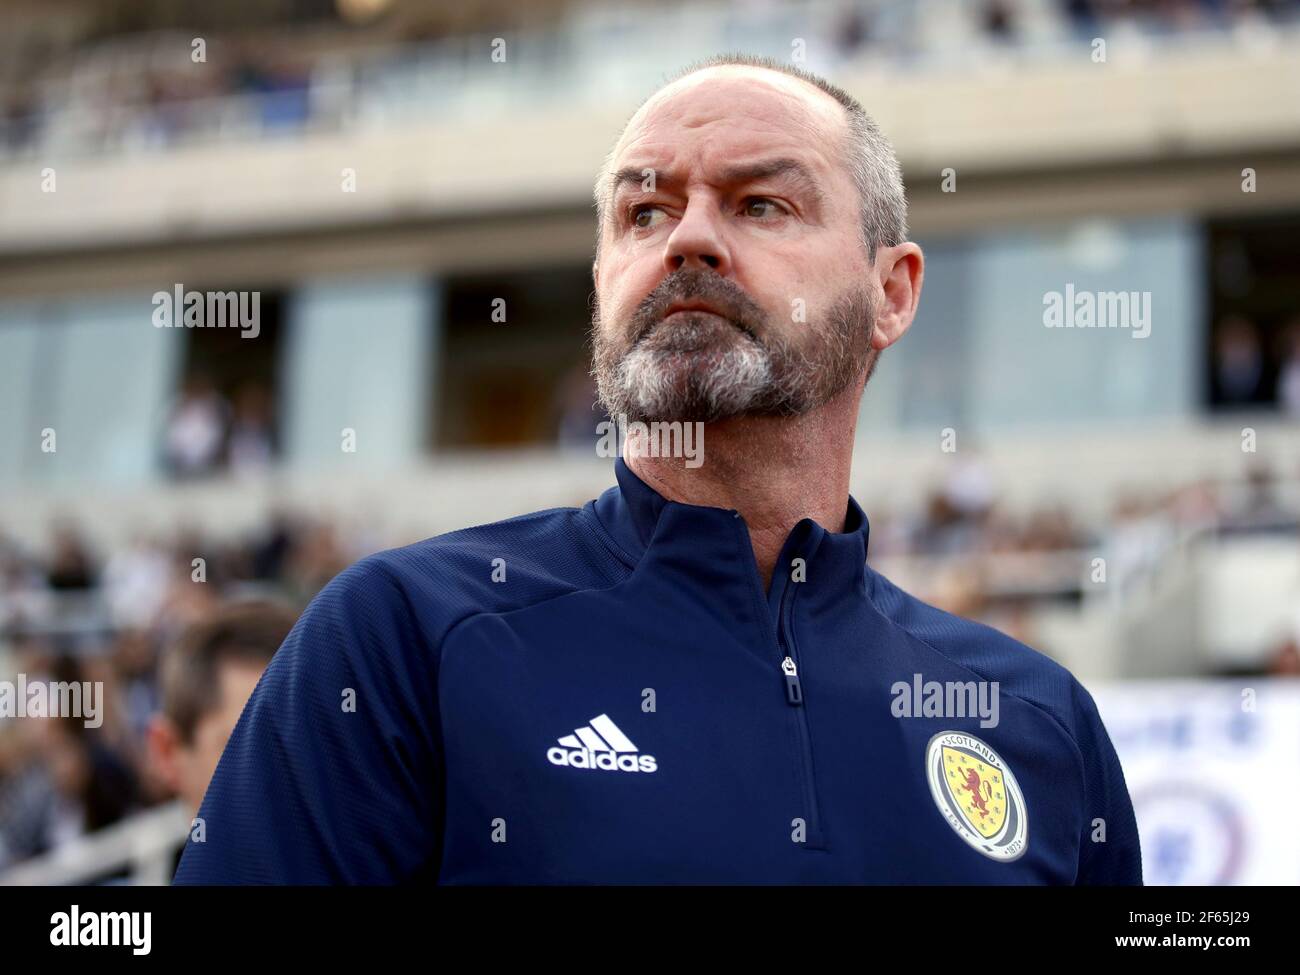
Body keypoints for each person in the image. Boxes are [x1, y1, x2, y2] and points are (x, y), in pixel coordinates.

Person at [175, 55, 1141, 884]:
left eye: (762, 202)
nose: (688, 239)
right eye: (645, 211)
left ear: (891, 293)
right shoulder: (404, 640)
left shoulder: (1037, 721)